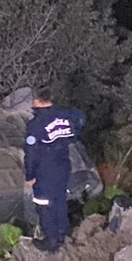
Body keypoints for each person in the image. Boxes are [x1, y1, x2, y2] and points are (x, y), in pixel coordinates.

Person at [23, 92, 86, 252]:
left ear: (37, 101)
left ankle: (50, 241)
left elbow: (31, 153)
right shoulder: (65, 115)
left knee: (44, 203)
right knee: (59, 199)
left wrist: (30, 176)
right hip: (63, 164)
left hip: (45, 168)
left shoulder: (35, 124)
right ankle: (61, 234)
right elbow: (80, 119)